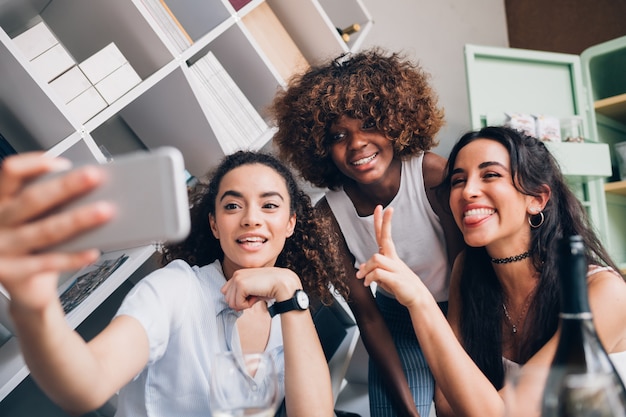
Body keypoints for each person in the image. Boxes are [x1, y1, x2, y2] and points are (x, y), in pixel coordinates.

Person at [0, 150, 348, 417]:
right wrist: (35, 306)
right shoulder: (176, 289)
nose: (251, 219)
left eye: (269, 205)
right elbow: (88, 383)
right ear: (214, 225)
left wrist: (290, 290)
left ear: (290, 224)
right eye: (232, 206)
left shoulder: (287, 311)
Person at [355, 126, 626, 417]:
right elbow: (447, 405)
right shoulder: (468, 273)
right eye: (459, 180)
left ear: (537, 199)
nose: (468, 191)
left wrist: (419, 300)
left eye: (491, 175)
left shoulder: (604, 293)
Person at [269, 47, 464, 417]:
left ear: (396, 122)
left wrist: (449, 373)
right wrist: (408, 410)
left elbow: (463, 277)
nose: (357, 143)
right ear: (320, 148)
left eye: (369, 124)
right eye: (338, 135)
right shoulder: (327, 217)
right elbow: (368, 315)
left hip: (460, 311)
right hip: (394, 324)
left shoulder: (432, 176)